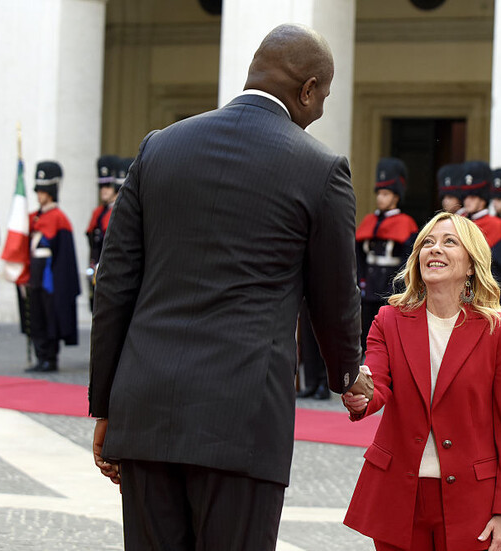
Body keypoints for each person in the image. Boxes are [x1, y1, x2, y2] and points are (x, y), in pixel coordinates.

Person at [88, 24, 372, 550]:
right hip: (242, 419)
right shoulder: (320, 168)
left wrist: (106, 406)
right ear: (307, 89)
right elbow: (334, 296)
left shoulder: (159, 148)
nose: (321, 111)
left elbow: (115, 286)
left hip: (147, 409)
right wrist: (348, 374)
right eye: (324, 97)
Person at [342, 212, 501, 551]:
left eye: (449, 242)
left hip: (471, 499)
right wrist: (360, 396)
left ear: (471, 265)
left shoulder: (499, 330)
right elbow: (376, 384)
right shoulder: (389, 320)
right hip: (398, 495)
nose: (434, 248)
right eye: (427, 242)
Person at [355, 158, 418, 353]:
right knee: (365, 334)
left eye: (385, 194)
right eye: (379, 194)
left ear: (396, 197)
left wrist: (399, 289)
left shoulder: (406, 224)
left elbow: (408, 261)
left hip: (390, 289)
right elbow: (358, 258)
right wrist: (361, 282)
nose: (380, 198)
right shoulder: (369, 220)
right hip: (369, 289)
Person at [24, 161, 80, 372]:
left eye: (43, 191)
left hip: (50, 276)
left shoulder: (59, 218)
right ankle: (40, 356)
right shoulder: (34, 217)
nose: (39, 195)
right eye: (38, 191)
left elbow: (63, 256)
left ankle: (50, 358)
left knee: (50, 318)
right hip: (35, 273)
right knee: (36, 315)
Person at [461, 161, 501, 308]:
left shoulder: (496, 225)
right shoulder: (460, 222)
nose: (468, 201)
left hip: (485, 297)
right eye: (466, 196)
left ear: (483, 197)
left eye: (473, 196)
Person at [85, 155, 119, 311]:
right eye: (101, 186)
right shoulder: (97, 213)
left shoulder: (117, 213)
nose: (104, 190)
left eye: (108, 186)